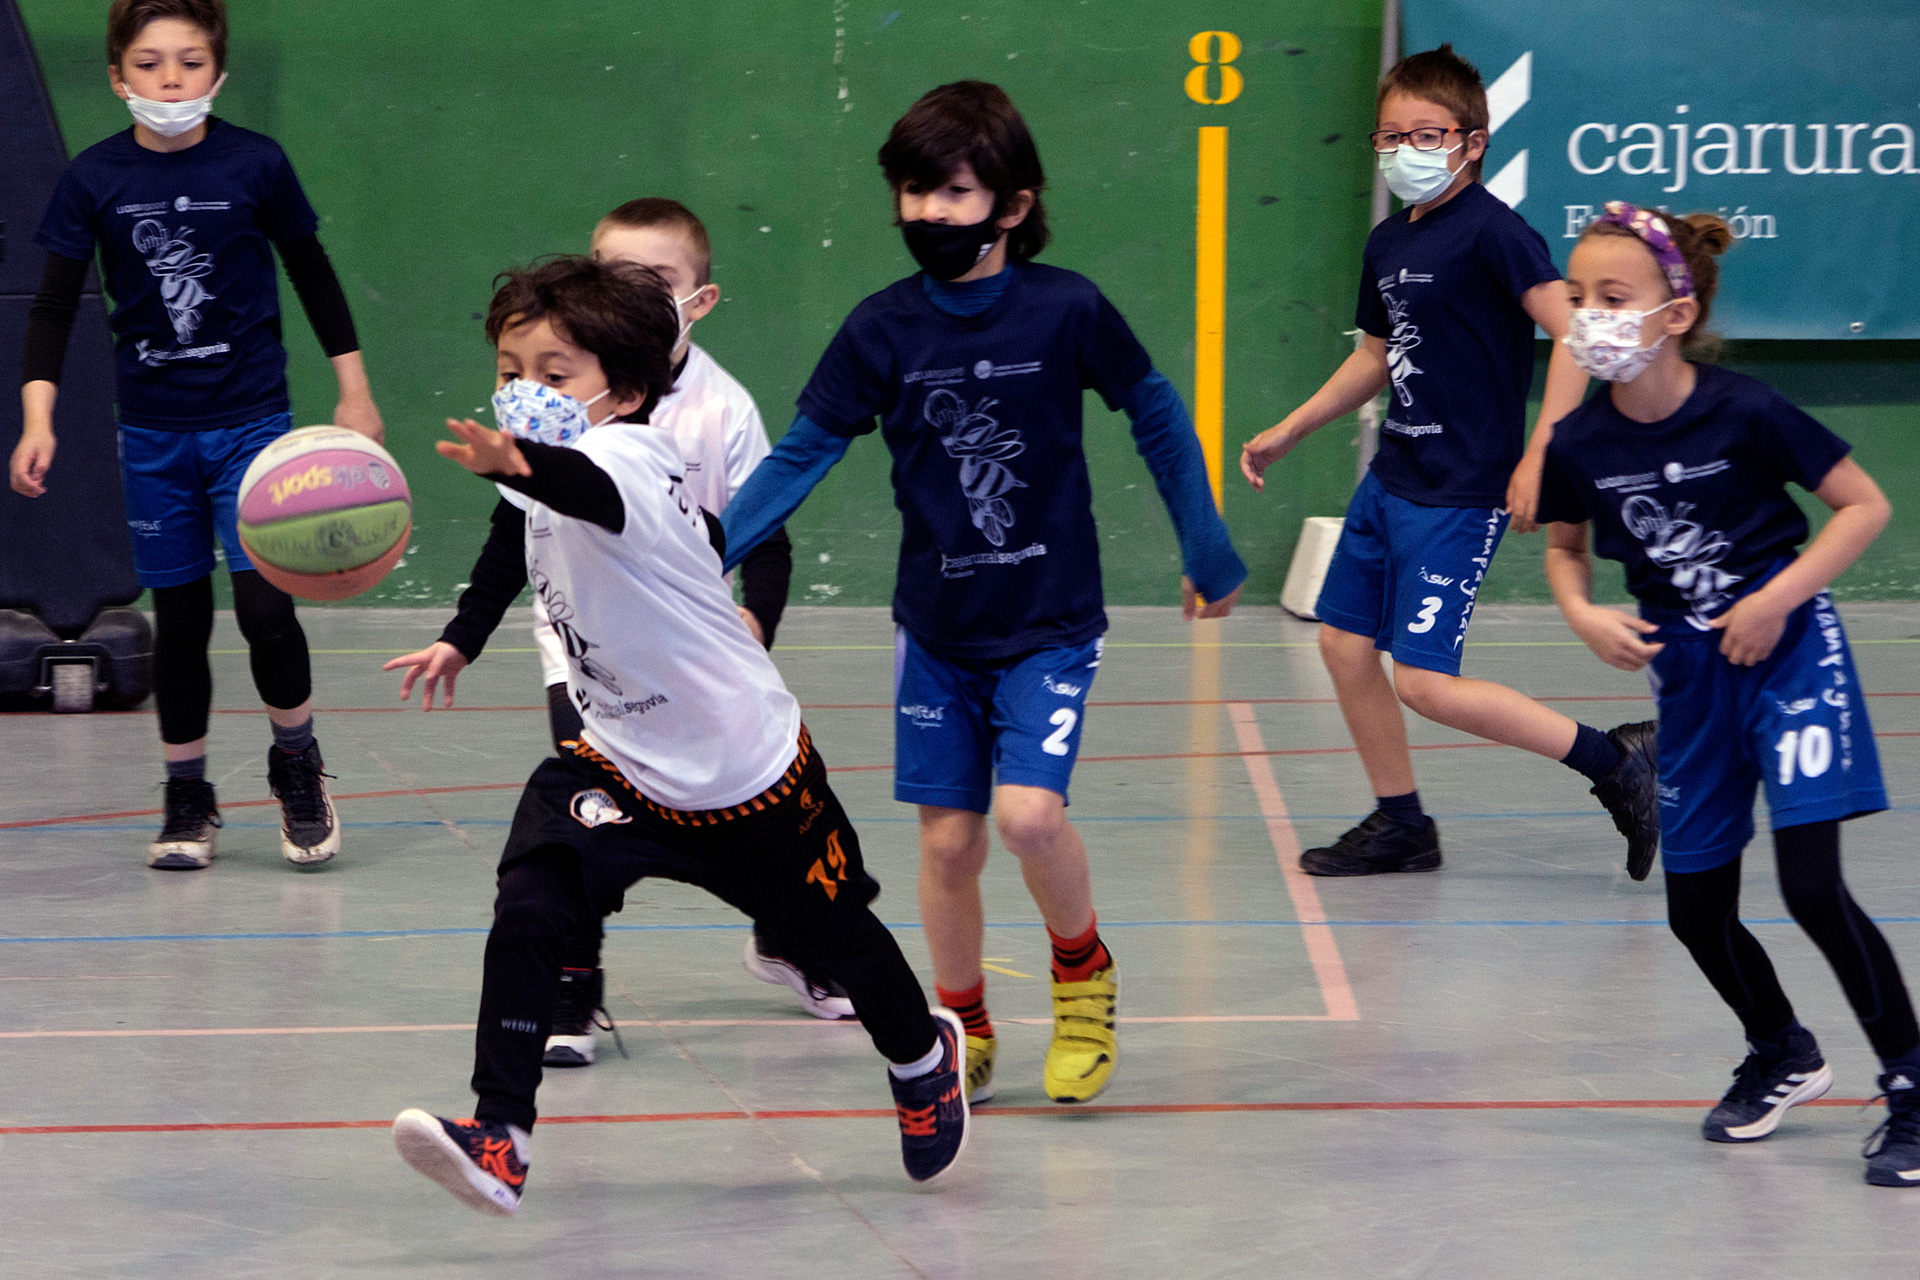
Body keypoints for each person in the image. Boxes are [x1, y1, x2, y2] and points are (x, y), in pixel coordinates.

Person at [391, 256, 967, 1216]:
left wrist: (521, 459)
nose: (521, 391)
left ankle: (920, 1057)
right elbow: (520, 529)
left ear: (622, 388)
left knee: (839, 941)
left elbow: (575, 485)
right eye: (509, 368)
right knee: (532, 903)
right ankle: (501, 1136)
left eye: (553, 372)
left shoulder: (620, 463)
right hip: (616, 759)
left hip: (749, 778)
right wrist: (460, 637)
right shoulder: (558, 474)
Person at [720, 81, 1247, 1108]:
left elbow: (1154, 409)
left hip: (1049, 620)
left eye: (953, 192)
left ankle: (1083, 973)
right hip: (938, 629)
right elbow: (802, 454)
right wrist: (704, 554)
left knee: (1028, 817)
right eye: (914, 192)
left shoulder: (1067, 308)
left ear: (1011, 204)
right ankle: (960, 1014)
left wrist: (1207, 543)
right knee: (949, 841)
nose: (928, 213)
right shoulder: (881, 330)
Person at [383, 199, 835, 1069]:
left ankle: (794, 938)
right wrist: (461, 638)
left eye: (652, 279)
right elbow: (510, 527)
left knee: (764, 824)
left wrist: (758, 621)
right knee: (574, 827)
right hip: (590, 661)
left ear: (695, 302)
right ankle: (571, 988)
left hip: (697, 661)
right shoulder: (549, 402)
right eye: (610, 269)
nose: (624, 287)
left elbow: (765, 528)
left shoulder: (722, 410)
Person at [1537, 201, 1920, 1185]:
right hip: (1689, 680)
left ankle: (1913, 1078)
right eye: (1578, 296)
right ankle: (1782, 1047)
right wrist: (1582, 613)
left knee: (1810, 885)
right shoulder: (1581, 441)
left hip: (1789, 655)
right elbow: (1566, 547)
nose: (1589, 316)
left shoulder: (1746, 410)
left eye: (1612, 297)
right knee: (1695, 907)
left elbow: (1863, 504)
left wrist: (1777, 596)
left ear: (1673, 312)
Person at [1238, 44, 1657, 879]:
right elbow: (1376, 355)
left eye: (1424, 134)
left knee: (1424, 683)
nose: (1403, 151)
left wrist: (1544, 448)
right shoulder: (1389, 240)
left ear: (1471, 141)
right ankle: (1403, 825)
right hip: (1392, 479)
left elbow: (1575, 332)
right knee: (1345, 648)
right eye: (1388, 136)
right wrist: (1292, 428)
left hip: (1462, 492)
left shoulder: (1499, 234)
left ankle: (1617, 764)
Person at [9, 0, 382, 869]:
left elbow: (312, 272)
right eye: (148, 63)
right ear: (117, 76)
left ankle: (298, 763)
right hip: (151, 436)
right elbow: (55, 303)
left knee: (264, 608)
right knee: (177, 620)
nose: (168, 79)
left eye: (186, 61)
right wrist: (38, 417)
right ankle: (188, 796)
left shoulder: (257, 162)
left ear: (217, 73)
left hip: (252, 427)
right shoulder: (94, 178)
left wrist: (353, 390)